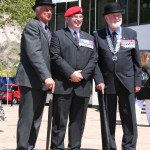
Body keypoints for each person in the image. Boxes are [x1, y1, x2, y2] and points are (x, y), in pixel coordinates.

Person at [50, 6, 101, 150]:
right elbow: (55, 56)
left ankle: (75, 147)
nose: (78, 19)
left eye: (80, 17)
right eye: (75, 17)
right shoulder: (58, 35)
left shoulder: (90, 38)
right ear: (67, 19)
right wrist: (71, 73)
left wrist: (83, 74)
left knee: (78, 123)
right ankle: (57, 147)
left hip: (82, 87)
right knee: (59, 122)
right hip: (63, 86)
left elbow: (94, 58)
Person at [93, 2, 142, 150]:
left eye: (119, 15)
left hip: (128, 83)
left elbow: (137, 61)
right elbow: (94, 61)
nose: (117, 17)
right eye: (114, 15)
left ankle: (129, 147)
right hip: (107, 84)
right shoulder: (98, 35)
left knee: (129, 120)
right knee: (108, 119)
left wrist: (137, 81)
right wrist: (99, 80)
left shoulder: (131, 34)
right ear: (106, 18)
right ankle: (109, 147)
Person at [15, 0, 55, 149]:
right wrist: (47, 76)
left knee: (36, 120)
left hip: (41, 83)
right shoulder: (32, 26)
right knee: (27, 120)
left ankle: (30, 147)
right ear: (36, 11)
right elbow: (34, 54)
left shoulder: (46, 30)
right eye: (45, 9)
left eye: (50, 10)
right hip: (30, 81)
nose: (49, 12)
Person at [136, 51, 150, 126]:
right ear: (146, 57)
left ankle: (135, 122)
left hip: (140, 88)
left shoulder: (138, 65)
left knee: (137, 105)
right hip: (147, 88)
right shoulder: (148, 65)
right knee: (149, 106)